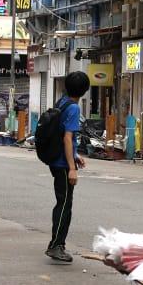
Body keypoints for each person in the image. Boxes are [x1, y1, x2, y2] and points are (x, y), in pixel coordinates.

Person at [46, 71, 91, 263]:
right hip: (63, 164)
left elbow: (63, 135)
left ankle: (58, 244)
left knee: (63, 203)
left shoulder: (62, 102)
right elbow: (67, 137)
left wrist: (75, 155)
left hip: (58, 159)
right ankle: (56, 245)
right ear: (84, 90)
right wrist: (72, 167)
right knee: (64, 205)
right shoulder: (73, 108)